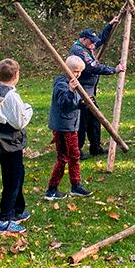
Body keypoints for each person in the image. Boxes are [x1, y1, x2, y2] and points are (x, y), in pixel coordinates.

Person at [0, 58, 33, 234]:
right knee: (13, 179)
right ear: (16, 75)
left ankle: (17, 211)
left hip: (0, 140)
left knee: (17, 173)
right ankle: (4, 219)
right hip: (9, 142)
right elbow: (19, 122)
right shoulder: (12, 97)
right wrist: (28, 109)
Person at [69, 17, 124, 160]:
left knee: (94, 119)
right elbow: (93, 68)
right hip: (81, 91)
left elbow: (101, 39)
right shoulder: (78, 51)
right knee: (82, 121)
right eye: (91, 42)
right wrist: (114, 70)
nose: (94, 44)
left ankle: (95, 147)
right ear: (83, 39)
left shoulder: (88, 45)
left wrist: (110, 25)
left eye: (93, 42)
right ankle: (77, 151)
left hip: (89, 91)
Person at [45, 56, 93, 200]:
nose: (78, 74)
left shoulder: (72, 82)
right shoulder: (61, 84)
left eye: (80, 71)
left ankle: (76, 186)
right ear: (68, 69)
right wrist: (71, 91)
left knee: (74, 156)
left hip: (71, 125)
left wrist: (83, 103)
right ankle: (51, 190)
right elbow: (64, 104)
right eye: (76, 71)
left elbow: (74, 104)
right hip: (63, 126)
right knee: (64, 157)